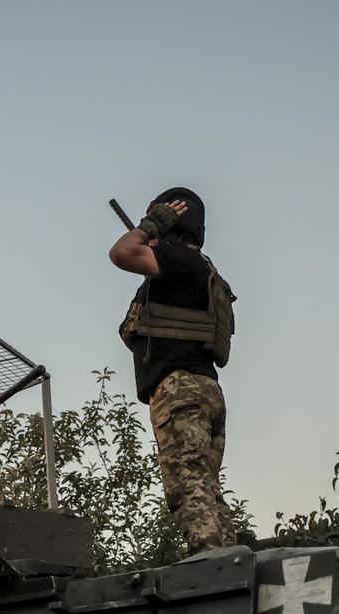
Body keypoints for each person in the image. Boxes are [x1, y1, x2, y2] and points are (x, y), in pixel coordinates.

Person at [109, 186, 237, 554]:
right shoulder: (200, 271)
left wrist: (149, 226)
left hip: (179, 389)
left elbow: (122, 253)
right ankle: (227, 556)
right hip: (205, 390)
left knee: (187, 483)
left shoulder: (181, 262)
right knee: (205, 486)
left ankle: (211, 564)